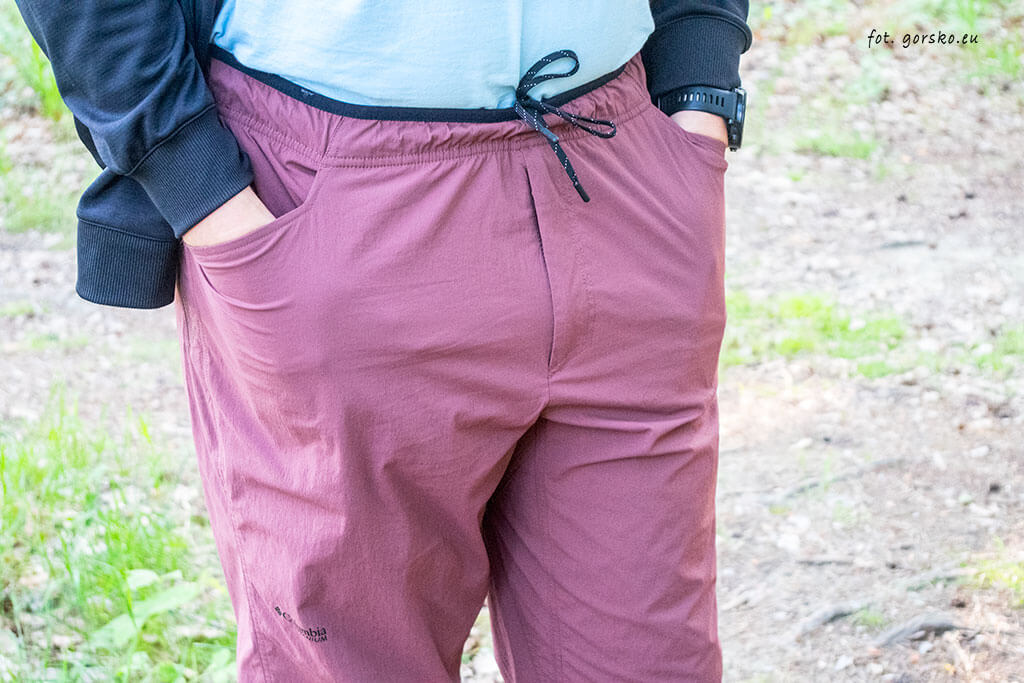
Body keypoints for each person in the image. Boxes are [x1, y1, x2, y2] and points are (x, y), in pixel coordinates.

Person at [14, 1, 752, 680]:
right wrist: (197, 183)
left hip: (617, 165)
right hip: (327, 200)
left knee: (649, 661)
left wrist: (701, 83)